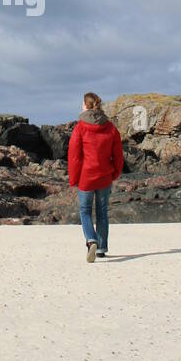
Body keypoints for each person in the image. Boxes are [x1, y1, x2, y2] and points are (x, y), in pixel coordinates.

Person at [67, 92, 124, 262]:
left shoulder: (80, 127)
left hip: (87, 176)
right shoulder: (111, 127)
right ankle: (102, 248)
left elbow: (75, 156)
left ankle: (91, 240)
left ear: (85, 105)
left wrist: (74, 178)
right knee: (102, 212)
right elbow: (118, 154)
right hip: (105, 176)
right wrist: (116, 172)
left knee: (85, 211)